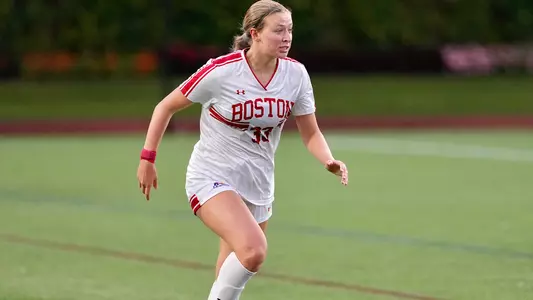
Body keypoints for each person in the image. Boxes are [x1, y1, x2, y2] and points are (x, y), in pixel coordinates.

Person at [136, 0, 348, 299]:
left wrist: (328, 159)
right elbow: (165, 107)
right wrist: (148, 158)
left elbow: (310, 132)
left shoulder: (296, 75)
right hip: (211, 175)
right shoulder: (221, 71)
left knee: (231, 266)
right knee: (254, 250)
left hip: (258, 183)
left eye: (289, 30)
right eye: (278, 31)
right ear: (255, 33)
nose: (286, 37)